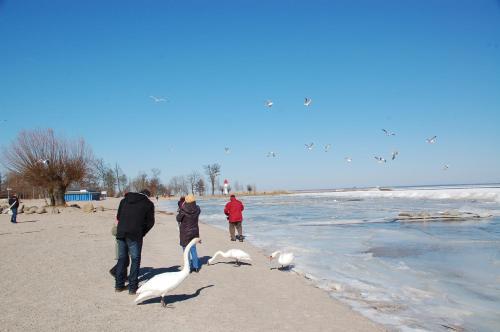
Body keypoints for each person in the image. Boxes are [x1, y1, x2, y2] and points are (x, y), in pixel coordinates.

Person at [115, 189, 155, 294]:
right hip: (135, 234)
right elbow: (150, 222)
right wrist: (142, 232)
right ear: (147, 196)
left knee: (122, 258)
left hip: (121, 232)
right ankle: (132, 288)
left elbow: (118, 217)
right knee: (135, 260)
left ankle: (119, 285)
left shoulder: (124, 200)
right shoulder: (148, 203)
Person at [176, 194, 201, 273]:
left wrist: (181, 210)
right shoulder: (197, 209)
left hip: (185, 232)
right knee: (193, 249)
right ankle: (196, 266)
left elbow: (178, 219)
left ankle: (188, 267)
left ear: (186, 200)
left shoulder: (183, 209)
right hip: (194, 231)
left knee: (186, 249)